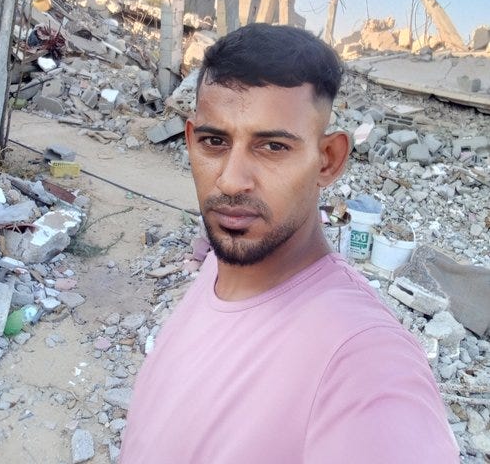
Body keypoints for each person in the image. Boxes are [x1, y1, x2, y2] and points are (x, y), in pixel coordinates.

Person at [120, 23, 459, 463]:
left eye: (273, 147)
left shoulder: (363, 360)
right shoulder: (223, 266)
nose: (230, 180)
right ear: (189, 141)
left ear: (328, 160)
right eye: (214, 142)